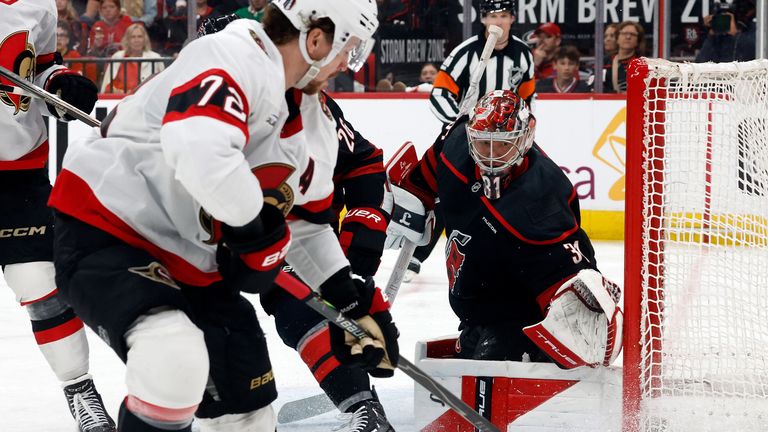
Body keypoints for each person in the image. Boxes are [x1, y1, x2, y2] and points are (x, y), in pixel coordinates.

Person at [49, 2, 388, 432]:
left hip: (194, 261)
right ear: (317, 38)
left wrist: (348, 296)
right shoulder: (231, 54)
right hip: (109, 227)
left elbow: (306, 224)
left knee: (247, 411)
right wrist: (254, 228)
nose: (347, 65)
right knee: (173, 358)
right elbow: (198, 147)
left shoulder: (313, 123)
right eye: (349, 49)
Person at [386, 90, 623, 367]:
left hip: (517, 313)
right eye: (482, 143)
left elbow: (564, 274)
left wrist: (577, 304)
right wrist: (412, 199)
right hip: (477, 306)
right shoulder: (457, 144)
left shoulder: (542, 197)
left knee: (490, 370)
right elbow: (424, 177)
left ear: (524, 141)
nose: (489, 154)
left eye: (501, 144)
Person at [0, 1, 111, 431]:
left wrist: (60, 85)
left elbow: (38, 70)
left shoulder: (36, 4)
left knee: (41, 288)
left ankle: (80, 393)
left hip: (18, 170)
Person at [429, 0, 535, 125]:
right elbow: (440, 94)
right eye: (493, 16)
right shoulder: (465, 52)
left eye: (504, 16)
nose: (499, 22)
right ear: (483, 19)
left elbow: (527, 98)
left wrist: (522, 124)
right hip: (467, 131)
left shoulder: (524, 53)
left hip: (508, 134)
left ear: (512, 18)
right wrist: (459, 124)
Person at [100, 23, 165, 94]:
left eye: (140, 37)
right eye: (133, 37)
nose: (136, 40)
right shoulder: (118, 57)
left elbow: (163, 84)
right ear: (127, 40)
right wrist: (122, 93)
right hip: (121, 99)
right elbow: (107, 86)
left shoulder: (155, 57)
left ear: (144, 39)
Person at [603, 21, 644, 94]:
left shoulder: (643, 65)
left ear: (638, 41)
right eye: (624, 33)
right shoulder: (604, 63)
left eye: (633, 34)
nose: (628, 37)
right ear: (617, 38)